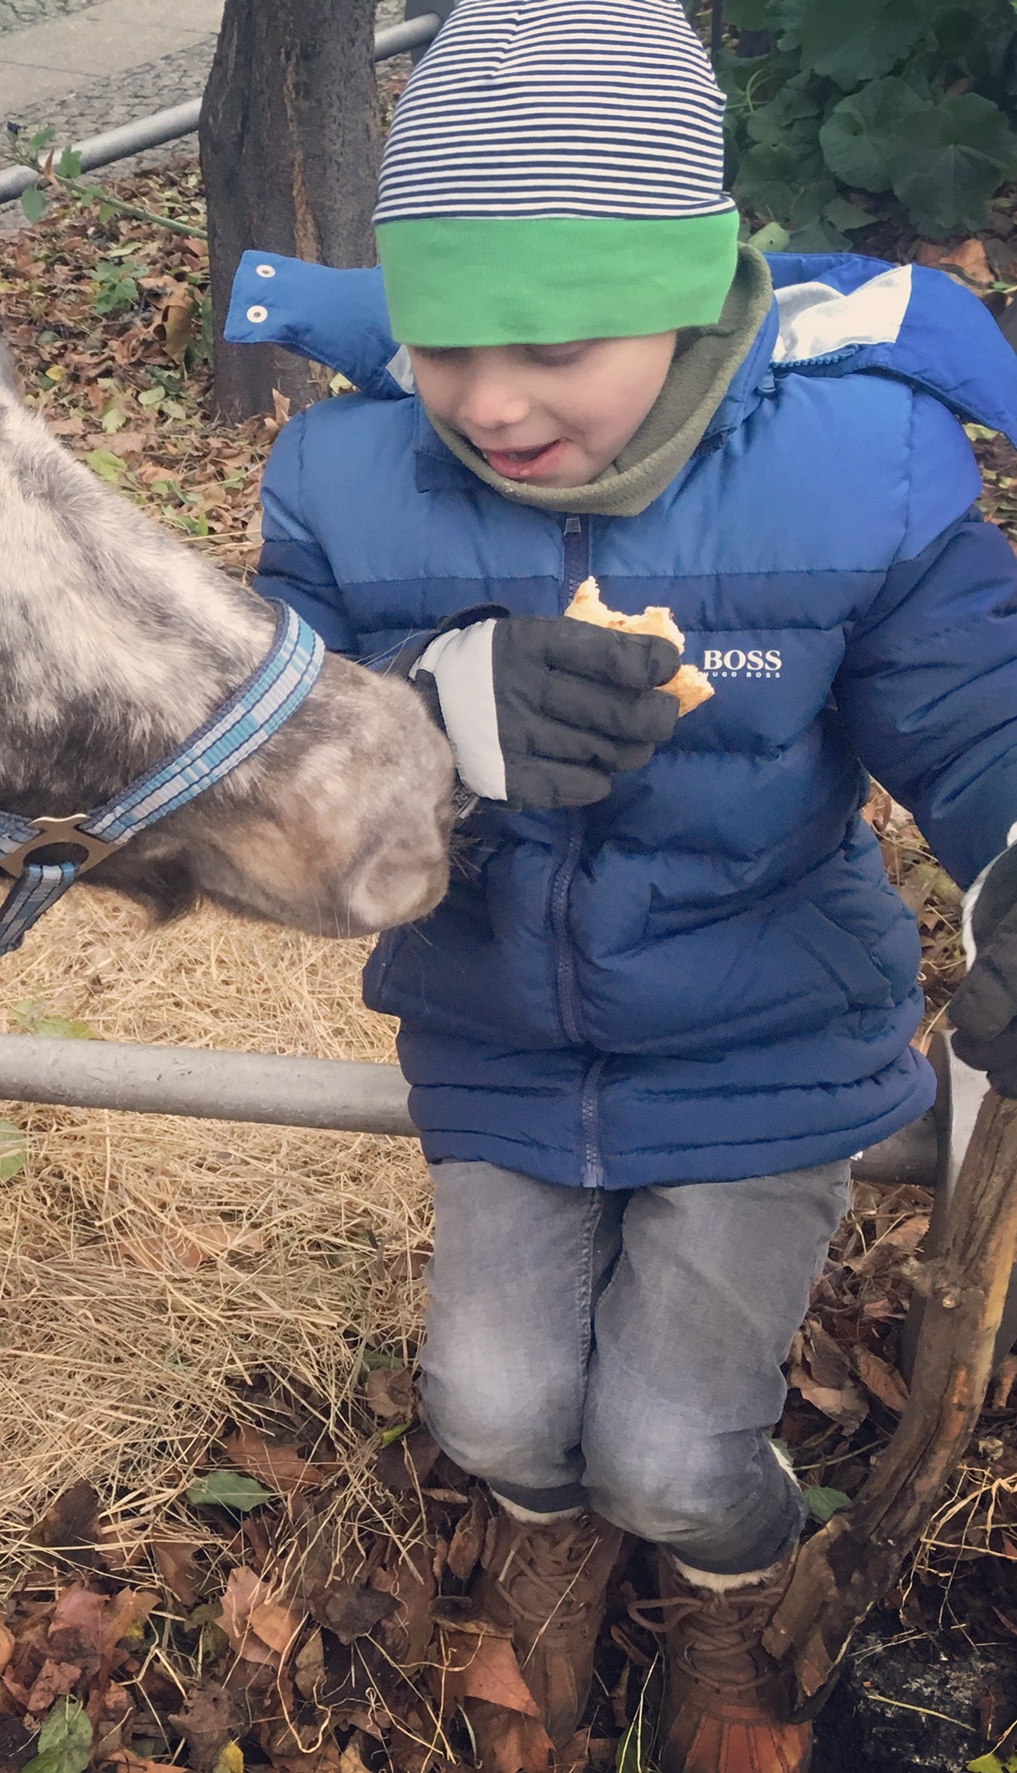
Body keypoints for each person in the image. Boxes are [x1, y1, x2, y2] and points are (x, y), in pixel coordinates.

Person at [228, 3, 1017, 1769]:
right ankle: (545, 1549)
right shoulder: (345, 482)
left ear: (687, 291)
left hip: (762, 1045)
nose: (489, 404)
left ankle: (732, 1586)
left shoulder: (850, 468)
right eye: (437, 342)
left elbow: (978, 709)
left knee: (672, 1442)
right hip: (497, 1029)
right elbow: (262, 742)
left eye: (555, 342)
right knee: (494, 1408)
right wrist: (426, 715)